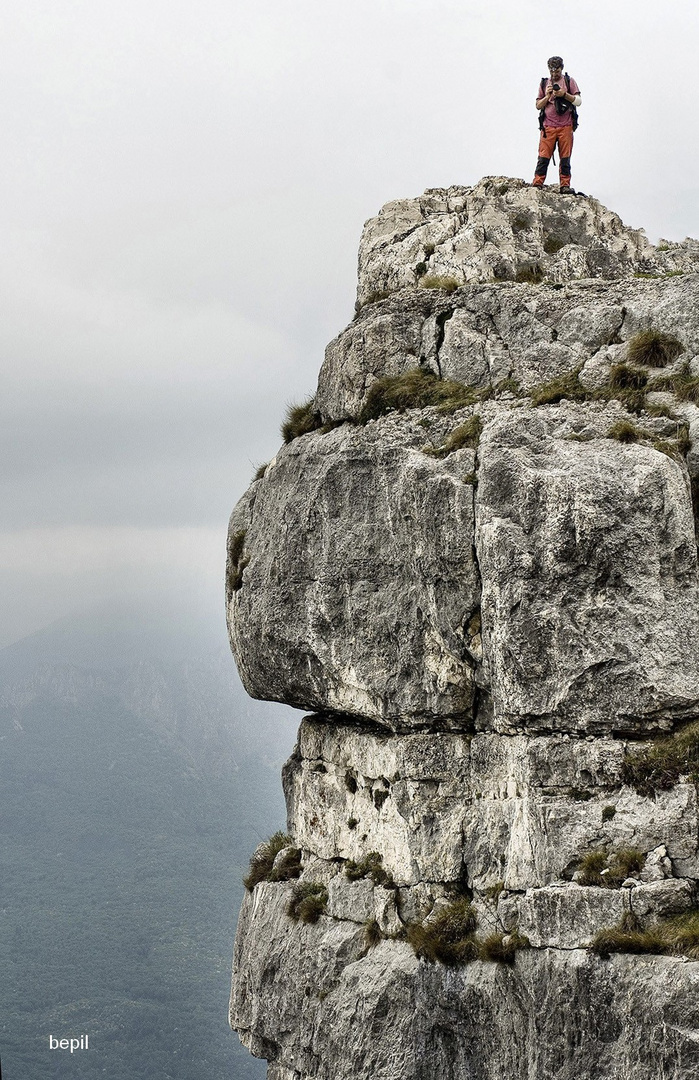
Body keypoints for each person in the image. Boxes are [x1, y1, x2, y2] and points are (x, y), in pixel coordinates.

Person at [532, 56, 581, 194]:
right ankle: (538, 183)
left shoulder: (569, 81)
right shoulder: (544, 84)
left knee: (565, 158)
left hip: (566, 126)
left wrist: (563, 94)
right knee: (543, 157)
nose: (554, 74)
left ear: (562, 68)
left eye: (557, 71)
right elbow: (537, 105)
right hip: (548, 127)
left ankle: (565, 186)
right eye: (552, 71)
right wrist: (547, 97)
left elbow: (578, 101)